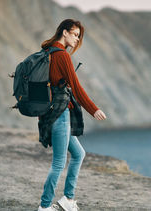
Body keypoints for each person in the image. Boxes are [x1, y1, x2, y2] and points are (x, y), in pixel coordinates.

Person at [38, 19, 107, 211]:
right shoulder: (62, 56)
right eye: (75, 34)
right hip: (60, 115)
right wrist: (94, 109)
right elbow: (76, 88)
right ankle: (44, 207)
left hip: (50, 113)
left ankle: (68, 199)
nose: (77, 39)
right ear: (65, 32)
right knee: (58, 163)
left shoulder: (48, 52)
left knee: (78, 153)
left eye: (78, 36)